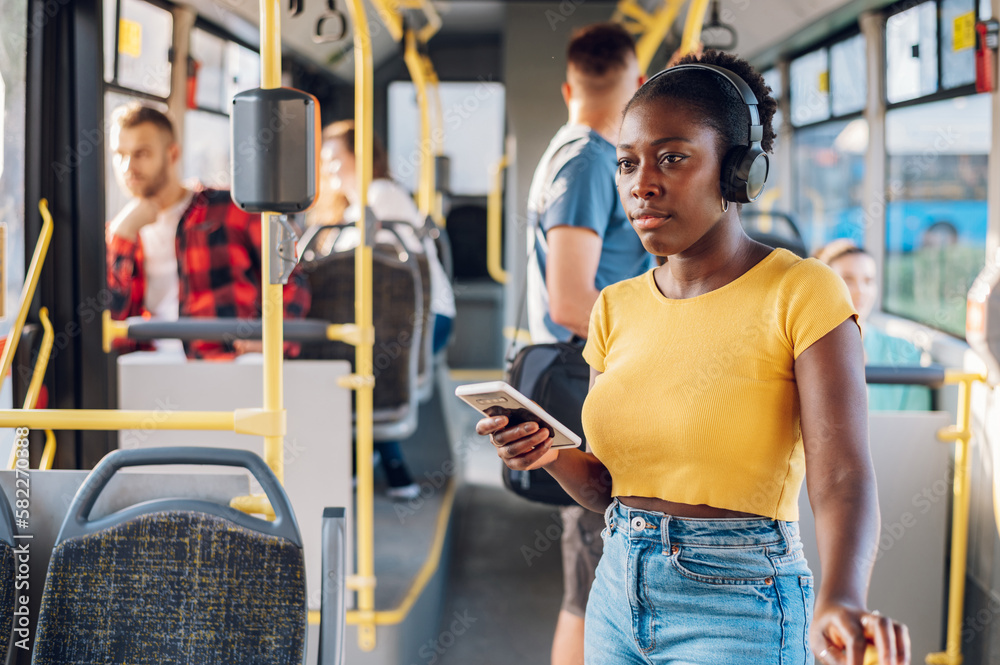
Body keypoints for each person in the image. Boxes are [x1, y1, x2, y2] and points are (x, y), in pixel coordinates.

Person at [478, 50, 910, 665]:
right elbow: (608, 485)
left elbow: (842, 475)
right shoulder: (614, 307)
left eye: (672, 158)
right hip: (616, 587)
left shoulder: (802, 290)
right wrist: (547, 453)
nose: (640, 183)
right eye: (627, 164)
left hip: (739, 603)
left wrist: (841, 595)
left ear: (740, 173)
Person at [524, 23, 649, 665]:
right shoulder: (590, 159)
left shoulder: (565, 151)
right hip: (593, 371)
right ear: (634, 82)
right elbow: (571, 301)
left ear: (570, 84)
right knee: (594, 575)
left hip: (594, 367)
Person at [318, 120, 456, 500]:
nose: (329, 170)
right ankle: (365, 468)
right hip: (398, 320)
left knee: (368, 369)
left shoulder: (380, 195)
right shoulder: (355, 209)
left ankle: (386, 472)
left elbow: (373, 267)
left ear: (359, 158)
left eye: (335, 160)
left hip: (425, 319)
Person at [106, 103, 311, 359]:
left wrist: (273, 341)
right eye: (120, 155)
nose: (128, 167)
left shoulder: (231, 208)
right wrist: (121, 236)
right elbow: (109, 317)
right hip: (150, 364)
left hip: (226, 360)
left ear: (172, 154)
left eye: (142, 154)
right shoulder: (122, 231)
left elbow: (291, 279)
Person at [815, 240, 931, 411]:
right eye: (848, 279)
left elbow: (918, 427)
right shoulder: (801, 352)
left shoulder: (905, 354)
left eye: (868, 281)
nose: (861, 290)